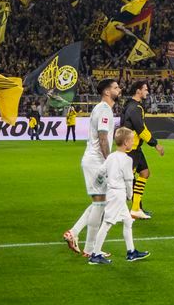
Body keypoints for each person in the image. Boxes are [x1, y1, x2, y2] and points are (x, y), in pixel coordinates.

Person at [63, 78, 118, 256]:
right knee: (101, 204)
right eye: (116, 87)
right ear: (107, 92)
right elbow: (103, 138)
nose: (120, 89)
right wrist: (110, 162)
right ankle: (91, 248)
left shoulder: (100, 108)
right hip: (97, 161)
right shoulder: (104, 110)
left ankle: (76, 235)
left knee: (99, 203)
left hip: (93, 160)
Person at [86, 127, 150, 265]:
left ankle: (131, 251)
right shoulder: (127, 160)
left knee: (127, 221)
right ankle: (95, 254)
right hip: (118, 194)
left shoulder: (111, 157)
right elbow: (129, 180)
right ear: (126, 142)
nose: (133, 143)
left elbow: (101, 172)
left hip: (111, 192)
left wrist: (98, 185)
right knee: (107, 223)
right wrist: (130, 194)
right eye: (132, 140)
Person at [121, 81, 165, 219]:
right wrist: (155, 144)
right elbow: (140, 128)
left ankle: (136, 208)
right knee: (126, 181)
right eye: (145, 89)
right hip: (131, 149)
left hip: (134, 148)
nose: (147, 92)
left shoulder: (131, 105)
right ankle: (116, 209)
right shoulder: (135, 108)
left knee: (144, 173)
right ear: (138, 91)